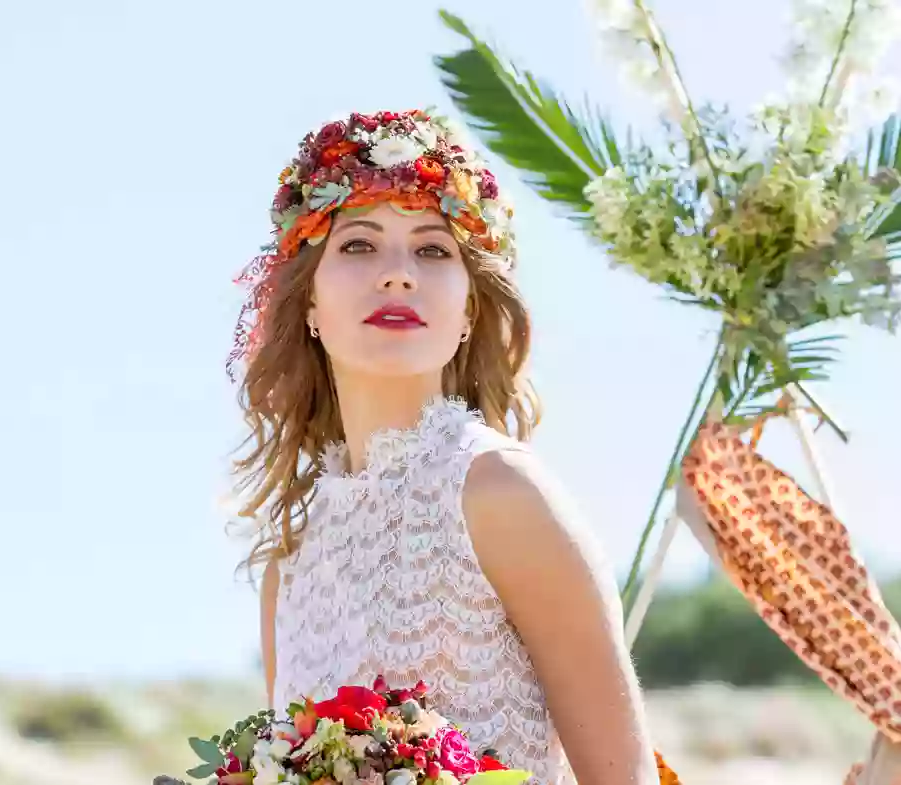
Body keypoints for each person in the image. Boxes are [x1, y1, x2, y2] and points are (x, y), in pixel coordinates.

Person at [226, 108, 659, 785]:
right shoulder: (291, 561)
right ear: (307, 304)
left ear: (467, 313)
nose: (398, 274)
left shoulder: (498, 491)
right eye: (358, 245)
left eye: (432, 249)